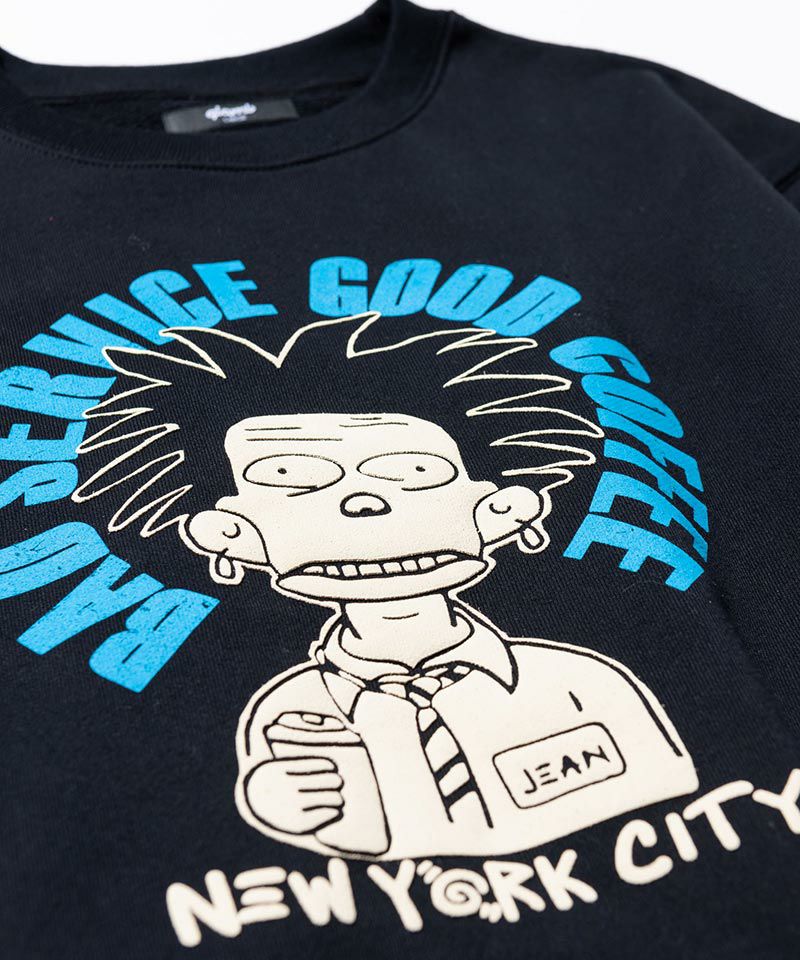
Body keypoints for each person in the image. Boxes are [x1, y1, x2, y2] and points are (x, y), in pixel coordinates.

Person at [78, 312, 698, 859]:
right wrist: (289, 819)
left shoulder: (582, 684)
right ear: (229, 532)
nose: (363, 502)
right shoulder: (292, 715)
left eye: (414, 471)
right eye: (291, 477)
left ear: (501, 507)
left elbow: (674, 808)